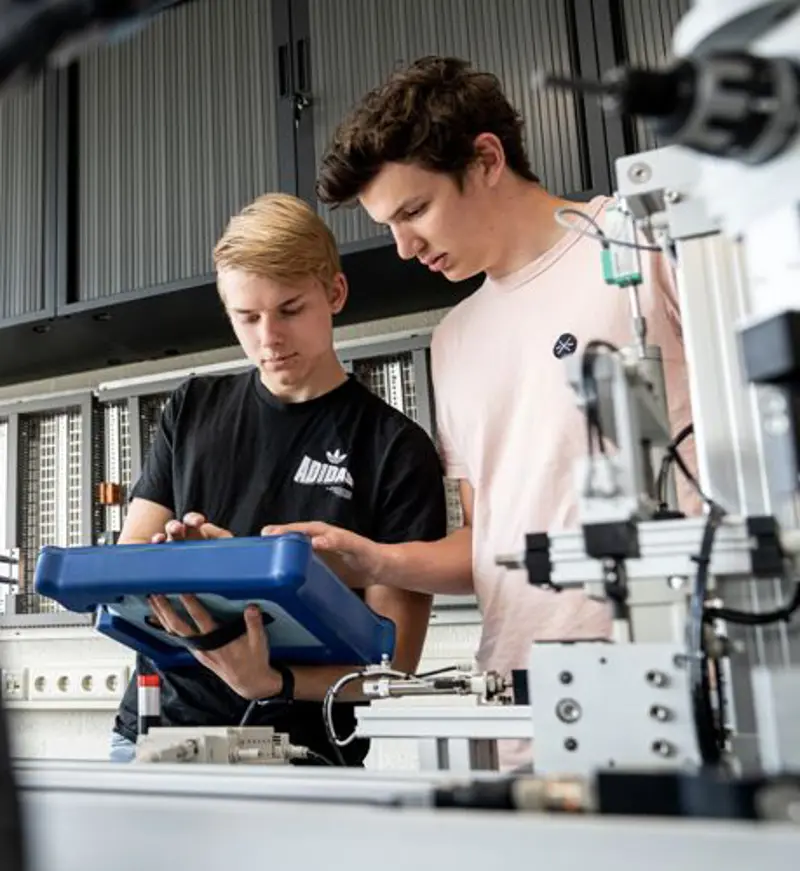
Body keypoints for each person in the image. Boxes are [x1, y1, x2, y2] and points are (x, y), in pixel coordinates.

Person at [262, 57, 699, 770]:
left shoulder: (638, 239)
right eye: (389, 224)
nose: (403, 246)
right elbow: (487, 543)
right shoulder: (454, 339)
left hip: (682, 678)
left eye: (414, 211)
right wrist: (371, 557)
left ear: (487, 158)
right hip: (525, 701)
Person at [108, 192, 446, 766]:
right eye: (247, 317)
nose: (269, 337)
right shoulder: (191, 406)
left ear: (333, 293)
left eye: (290, 310)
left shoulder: (395, 449)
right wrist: (206, 564)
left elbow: (392, 665)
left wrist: (274, 680)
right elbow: (128, 572)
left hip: (304, 753)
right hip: (154, 732)